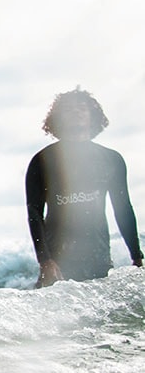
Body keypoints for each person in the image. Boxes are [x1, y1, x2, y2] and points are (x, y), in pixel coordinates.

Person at [25, 87, 143, 287]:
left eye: (82, 107)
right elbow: (34, 212)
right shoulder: (42, 160)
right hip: (58, 261)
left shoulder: (111, 159)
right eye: (68, 109)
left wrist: (137, 256)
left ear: (92, 115)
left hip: (99, 258)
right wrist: (45, 261)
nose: (76, 112)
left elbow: (123, 209)